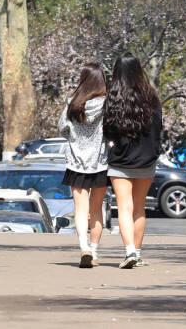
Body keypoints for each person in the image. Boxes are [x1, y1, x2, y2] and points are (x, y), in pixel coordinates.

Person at [104, 52, 162, 270]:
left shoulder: (113, 98)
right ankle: (136, 253)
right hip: (146, 160)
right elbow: (158, 128)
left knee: (123, 207)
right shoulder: (151, 98)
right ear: (139, 70)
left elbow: (107, 131)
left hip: (120, 161)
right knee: (139, 207)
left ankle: (129, 250)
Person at [59, 61, 109, 268]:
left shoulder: (73, 103)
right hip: (100, 162)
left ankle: (83, 247)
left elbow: (63, 128)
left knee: (80, 209)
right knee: (97, 210)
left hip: (76, 163)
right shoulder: (107, 104)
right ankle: (94, 252)